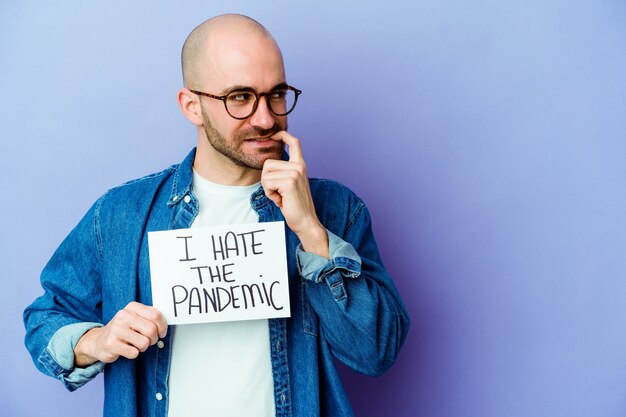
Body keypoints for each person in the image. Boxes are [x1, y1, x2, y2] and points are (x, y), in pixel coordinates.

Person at [23, 13, 410, 417]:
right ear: (192, 106)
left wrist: (311, 231)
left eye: (276, 94)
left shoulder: (334, 208)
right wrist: (95, 342)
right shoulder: (122, 214)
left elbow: (376, 352)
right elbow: (44, 317)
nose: (265, 118)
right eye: (239, 97)